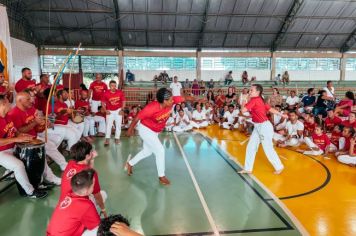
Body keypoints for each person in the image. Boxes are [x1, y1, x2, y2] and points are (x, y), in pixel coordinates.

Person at [126, 88, 183, 185]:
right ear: (164, 101)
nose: (173, 101)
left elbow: (185, 98)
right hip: (146, 129)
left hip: (155, 131)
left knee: (147, 152)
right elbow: (137, 118)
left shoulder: (171, 100)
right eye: (170, 100)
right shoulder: (151, 108)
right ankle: (161, 176)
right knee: (160, 150)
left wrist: (197, 99)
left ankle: (130, 164)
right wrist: (129, 130)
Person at [0, 95, 48, 199]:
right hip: (2, 152)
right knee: (18, 165)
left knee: (35, 156)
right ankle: (30, 192)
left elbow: (14, 131)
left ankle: (38, 182)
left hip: (13, 147)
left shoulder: (7, 116)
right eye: (8, 102)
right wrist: (16, 139)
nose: (10, 104)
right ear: (3, 104)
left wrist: (21, 135)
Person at [8, 91, 67, 173]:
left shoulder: (30, 108)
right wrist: (35, 122)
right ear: (20, 101)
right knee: (47, 148)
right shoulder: (14, 113)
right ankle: (52, 173)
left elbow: (39, 118)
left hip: (34, 136)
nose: (31, 101)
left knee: (51, 145)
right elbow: (19, 131)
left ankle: (64, 165)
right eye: (28, 99)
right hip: (24, 142)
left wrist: (45, 122)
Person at [238, 84, 286, 174]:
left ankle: (279, 166)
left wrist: (243, 101)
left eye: (251, 90)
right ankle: (248, 168)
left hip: (264, 127)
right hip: (258, 126)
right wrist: (282, 114)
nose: (249, 92)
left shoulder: (255, 100)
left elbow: (243, 111)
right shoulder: (259, 100)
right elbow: (270, 109)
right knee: (251, 146)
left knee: (267, 147)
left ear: (258, 92)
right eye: (250, 90)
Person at [47, 169, 101, 236]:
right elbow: (98, 225)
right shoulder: (86, 205)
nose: (94, 185)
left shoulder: (68, 195)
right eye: (93, 185)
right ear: (87, 190)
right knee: (98, 229)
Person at [60, 141, 107, 216]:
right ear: (87, 156)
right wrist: (103, 210)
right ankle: (88, 215)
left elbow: (87, 169)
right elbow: (97, 195)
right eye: (91, 151)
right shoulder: (92, 174)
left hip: (64, 203)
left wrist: (91, 159)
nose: (93, 152)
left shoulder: (70, 163)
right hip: (77, 206)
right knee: (103, 194)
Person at [102, 80, 126, 146]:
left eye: (115, 86)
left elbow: (124, 101)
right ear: (109, 86)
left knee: (118, 125)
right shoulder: (106, 93)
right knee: (108, 125)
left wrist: (122, 110)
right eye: (112, 86)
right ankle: (107, 139)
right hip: (109, 111)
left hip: (118, 110)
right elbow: (103, 103)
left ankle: (117, 138)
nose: (114, 87)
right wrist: (105, 110)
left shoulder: (120, 92)